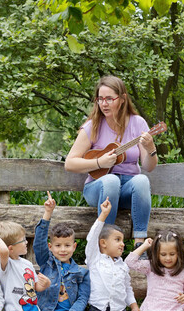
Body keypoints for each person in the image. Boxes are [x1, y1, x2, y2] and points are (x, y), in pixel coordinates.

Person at [65, 75, 158, 247]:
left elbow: (148, 167)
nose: (104, 104)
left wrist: (151, 148)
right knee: (111, 180)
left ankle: (140, 245)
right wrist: (99, 163)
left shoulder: (138, 123)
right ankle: (106, 245)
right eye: (100, 99)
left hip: (127, 190)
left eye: (109, 99)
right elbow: (70, 163)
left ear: (122, 99)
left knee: (142, 180)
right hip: (98, 188)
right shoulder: (92, 126)